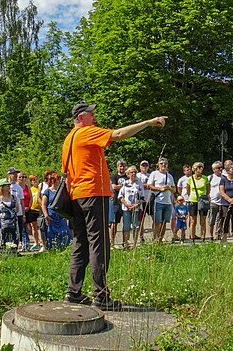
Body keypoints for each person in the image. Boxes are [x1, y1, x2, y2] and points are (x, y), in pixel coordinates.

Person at [62, 102, 166, 310]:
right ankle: (101, 296)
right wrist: (147, 122)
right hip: (93, 194)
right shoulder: (85, 132)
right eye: (92, 115)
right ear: (81, 118)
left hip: (77, 196)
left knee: (80, 243)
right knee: (99, 244)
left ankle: (73, 293)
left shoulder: (69, 139)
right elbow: (118, 134)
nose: (95, 118)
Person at [147, 158, 176, 243]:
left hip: (168, 202)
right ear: (158, 165)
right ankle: (155, 239)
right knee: (157, 222)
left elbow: (174, 189)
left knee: (164, 222)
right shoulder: (154, 174)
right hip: (158, 201)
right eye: (161, 163)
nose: (163, 165)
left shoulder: (169, 176)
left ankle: (160, 239)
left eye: (165, 163)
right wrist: (160, 188)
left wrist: (169, 188)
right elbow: (149, 186)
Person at [41, 173, 72, 250]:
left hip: (61, 217)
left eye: (58, 179)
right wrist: (46, 215)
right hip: (51, 218)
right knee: (51, 235)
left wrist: (66, 215)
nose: (58, 181)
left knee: (66, 233)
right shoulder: (47, 191)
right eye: (56, 179)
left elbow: (65, 203)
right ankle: (53, 250)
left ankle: (65, 249)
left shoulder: (61, 191)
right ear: (52, 181)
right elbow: (44, 205)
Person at [118, 166, 144, 249]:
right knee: (126, 226)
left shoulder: (139, 184)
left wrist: (136, 205)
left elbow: (142, 197)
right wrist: (126, 204)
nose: (134, 174)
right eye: (132, 172)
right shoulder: (125, 183)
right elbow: (120, 196)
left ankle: (135, 244)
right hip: (126, 208)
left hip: (136, 208)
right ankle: (126, 243)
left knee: (136, 226)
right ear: (128, 174)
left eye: (135, 172)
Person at [0, 179, 20, 248]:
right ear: (2, 187)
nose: (8, 187)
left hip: (13, 221)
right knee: (1, 238)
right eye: (6, 185)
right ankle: (1, 253)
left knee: (14, 238)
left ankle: (13, 253)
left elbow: (17, 209)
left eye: (8, 185)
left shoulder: (13, 197)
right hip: (1, 222)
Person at [186, 162, 210, 241]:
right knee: (193, 221)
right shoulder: (190, 179)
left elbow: (208, 190)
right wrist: (192, 196)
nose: (201, 169)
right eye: (199, 167)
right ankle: (192, 237)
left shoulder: (205, 178)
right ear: (195, 169)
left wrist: (203, 196)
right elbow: (188, 190)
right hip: (193, 200)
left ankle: (203, 237)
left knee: (203, 220)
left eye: (202, 167)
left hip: (202, 200)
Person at [7, 167, 27, 250]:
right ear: (9, 175)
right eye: (13, 174)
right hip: (7, 213)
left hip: (18, 213)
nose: (15, 176)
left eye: (16, 174)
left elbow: (22, 202)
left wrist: (23, 215)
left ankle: (15, 248)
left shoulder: (18, 187)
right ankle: (7, 247)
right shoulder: (4, 185)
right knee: (7, 230)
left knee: (17, 231)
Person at [110, 160, 128, 247]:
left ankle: (125, 242)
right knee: (114, 223)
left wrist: (120, 187)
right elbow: (114, 187)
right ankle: (112, 242)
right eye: (120, 166)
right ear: (117, 167)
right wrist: (125, 186)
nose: (122, 168)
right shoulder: (114, 177)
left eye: (123, 166)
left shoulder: (128, 176)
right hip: (116, 203)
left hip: (126, 203)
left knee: (126, 223)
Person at [18, 172, 37, 250]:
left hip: (27, 209)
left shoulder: (27, 187)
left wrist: (28, 206)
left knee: (27, 226)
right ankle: (22, 242)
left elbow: (31, 198)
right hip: (19, 210)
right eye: (21, 177)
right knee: (20, 226)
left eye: (24, 177)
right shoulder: (16, 187)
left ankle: (27, 242)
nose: (23, 179)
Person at [173, 164, 192, 240]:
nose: (189, 171)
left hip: (192, 199)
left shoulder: (194, 178)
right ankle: (178, 235)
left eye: (190, 169)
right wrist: (182, 196)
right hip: (184, 200)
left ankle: (191, 234)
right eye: (187, 170)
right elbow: (179, 188)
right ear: (184, 171)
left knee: (191, 218)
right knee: (182, 218)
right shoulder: (182, 179)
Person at [207, 162, 223, 240]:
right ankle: (210, 235)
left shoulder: (224, 177)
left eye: (221, 167)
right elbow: (207, 189)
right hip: (213, 202)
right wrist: (208, 197)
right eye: (218, 168)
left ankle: (218, 234)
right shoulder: (210, 178)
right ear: (214, 169)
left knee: (220, 219)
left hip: (222, 202)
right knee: (211, 220)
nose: (220, 169)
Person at [136, 160, 151, 242]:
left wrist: (146, 186)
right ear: (140, 167)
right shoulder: (137, 175)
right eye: (143, 165)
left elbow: (152, 185)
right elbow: (139, 186)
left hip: (150, 199)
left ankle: (155, 236)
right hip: (141, 200)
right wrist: (146, 185)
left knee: (154, 218)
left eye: (146, 165)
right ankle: (141, 236)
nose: (144, 167)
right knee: (141, 219)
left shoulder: (151, 175)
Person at [27, 174, 41, 250]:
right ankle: (36, 242)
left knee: (41, 227)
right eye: (33, 180)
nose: (35, 181)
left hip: (40, 210)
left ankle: (43, 241)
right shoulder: (31, 189)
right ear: (31, 182)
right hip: (32, 209)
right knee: (34, 227)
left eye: (36, 179)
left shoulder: (40, 188)